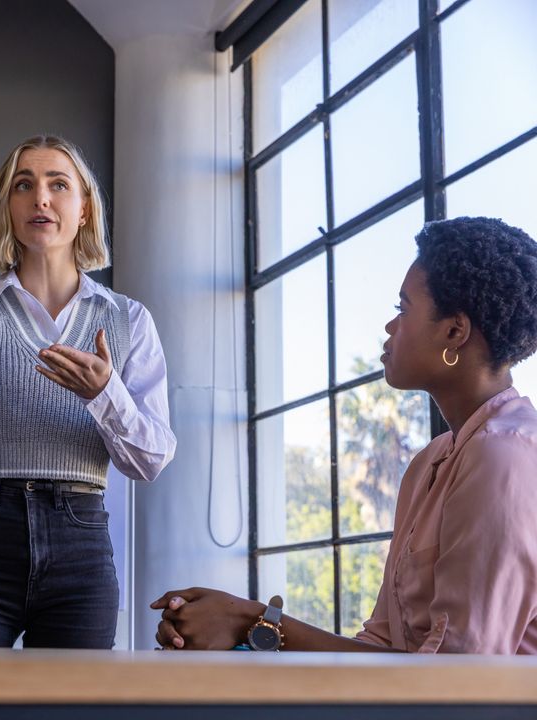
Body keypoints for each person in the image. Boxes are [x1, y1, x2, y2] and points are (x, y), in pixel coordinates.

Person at [153, 216, 537, 654]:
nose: (390, 327)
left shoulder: (504, 456)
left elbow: (457, 677)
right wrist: (243, 635)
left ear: (454, 332)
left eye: (403, 309)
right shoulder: (431, 461)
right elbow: (382, 643)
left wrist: (255, 620)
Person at [0, 135, 177, 648]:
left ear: (83, 210)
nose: (40, 198)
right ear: (9, 208)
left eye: (57, 185)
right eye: (24, 185)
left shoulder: (128, 319)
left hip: (80, 548)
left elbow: (150, 459)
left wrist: (104, 392)